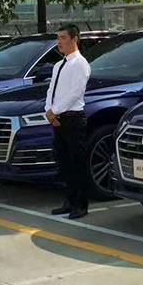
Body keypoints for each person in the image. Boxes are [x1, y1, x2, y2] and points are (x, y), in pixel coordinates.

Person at [45, 24, 91, 220]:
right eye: (58, 38)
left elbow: (75, 93)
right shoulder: (59, 65)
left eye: (63, 38)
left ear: (74, 39)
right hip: (58, 119)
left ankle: (80, 204)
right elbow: (51, 90)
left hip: (73, 118)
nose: (59, 42)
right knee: (64, 163)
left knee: (77, 162)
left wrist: (54, 111)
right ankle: (69, 201)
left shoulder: (80, 64)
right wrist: (49, 111)